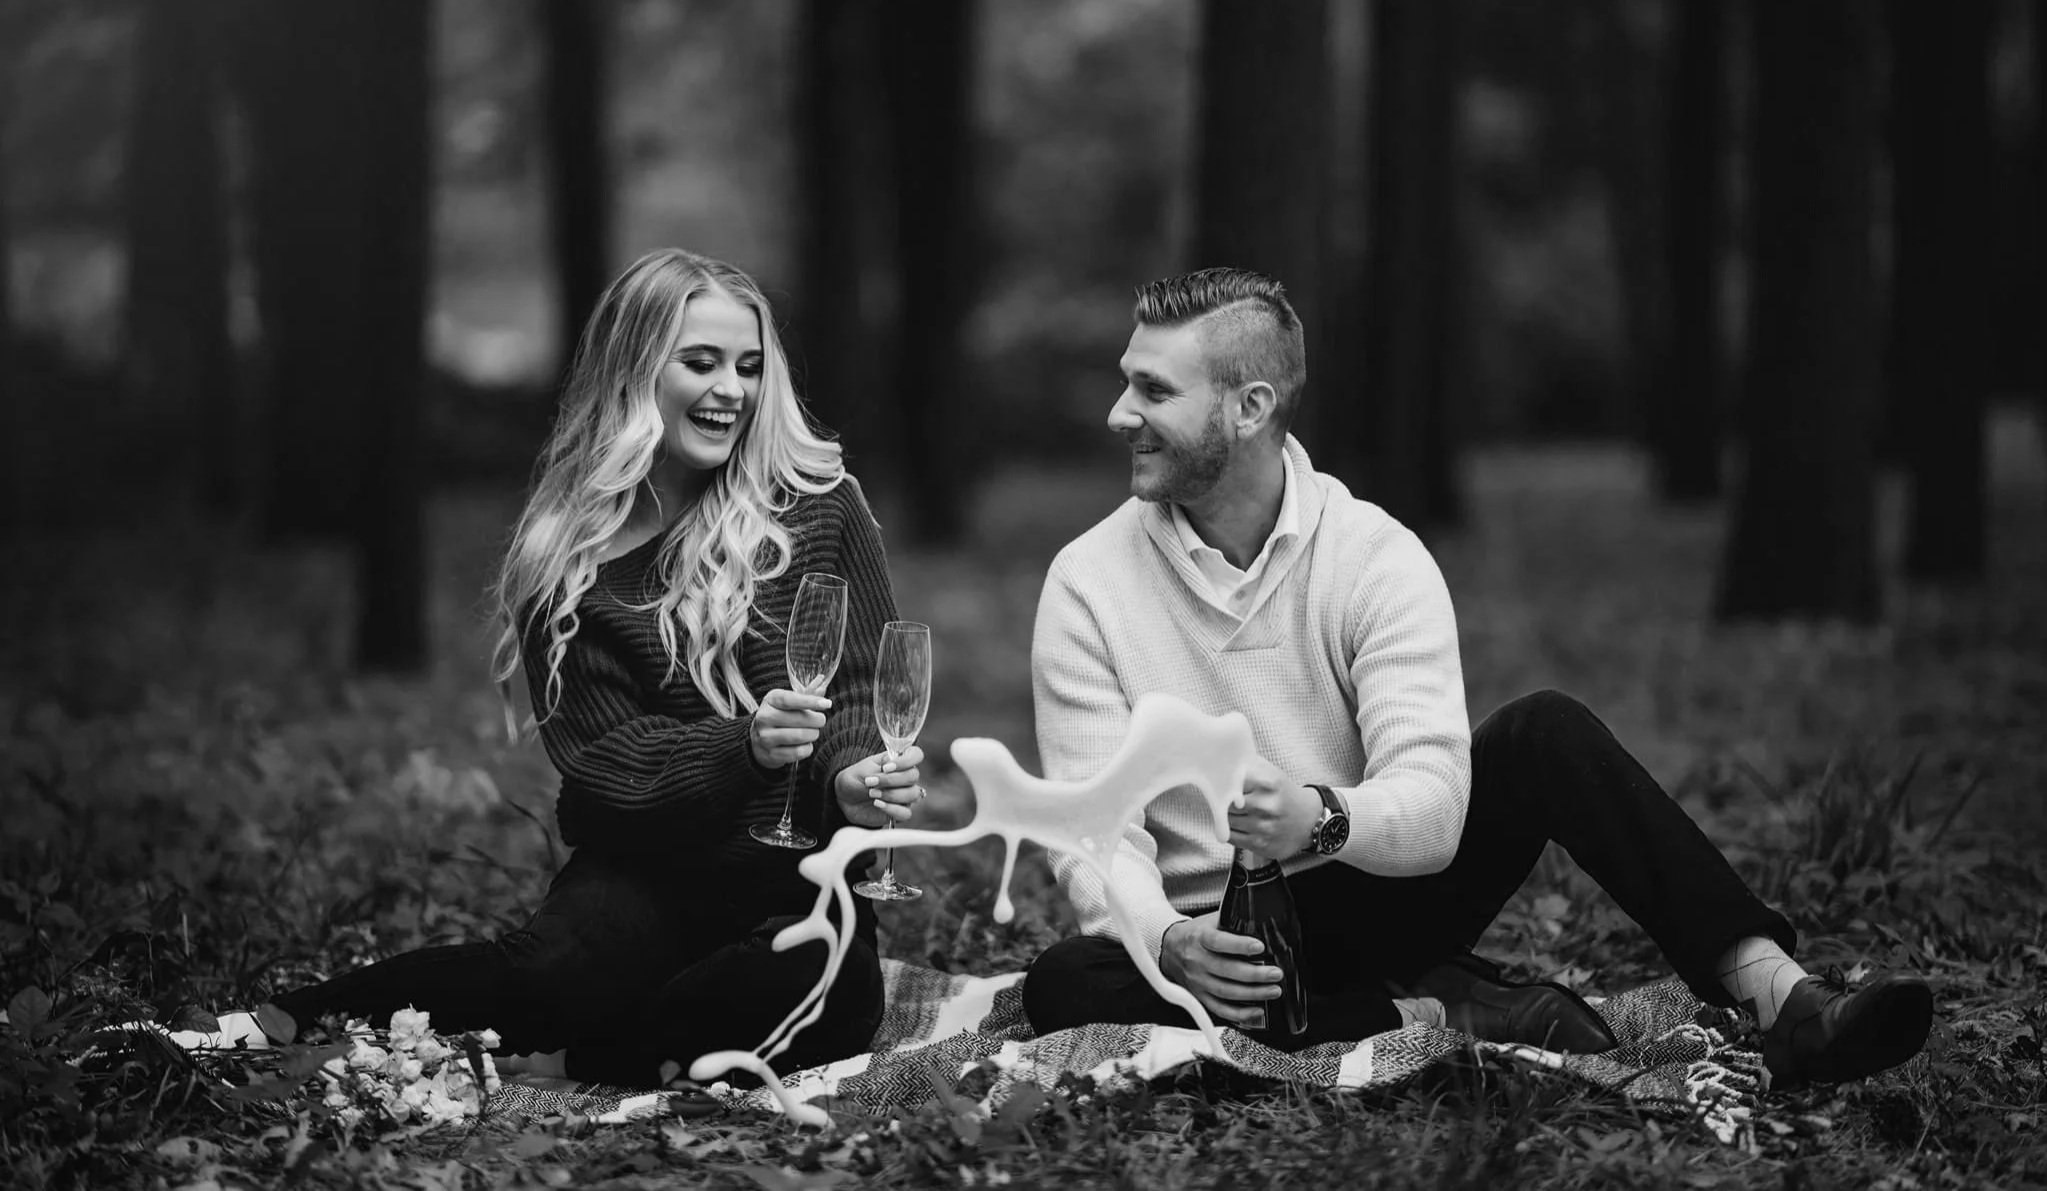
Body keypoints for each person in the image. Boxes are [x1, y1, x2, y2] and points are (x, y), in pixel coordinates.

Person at [1019, 267, 1932, 1089]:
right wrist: (1173, 942)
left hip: (1370, 894)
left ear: (1249, 406)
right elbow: (1092, 837)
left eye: (1151, 389)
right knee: (1063, 982)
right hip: (1212, 942)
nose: (1117, 413)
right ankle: (1436, 1011)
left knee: (1544, 729)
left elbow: (1432, 809)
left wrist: (1321, 815)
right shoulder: (1089, 584)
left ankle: (1782, 998)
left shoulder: (1374, 557)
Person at [260, 249, 925, 1085]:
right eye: (701, 362)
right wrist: (741, 747)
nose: (731, 390)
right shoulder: (569, 566)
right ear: (636, 371)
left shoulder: (820, 506)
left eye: (749, 367)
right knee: (547, 978)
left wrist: (854, 776)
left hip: (803, 880)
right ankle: (278, 1023)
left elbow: (861, 684)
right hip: (648, 871)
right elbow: (605, 772)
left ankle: (593, 1054)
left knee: (804, 991)